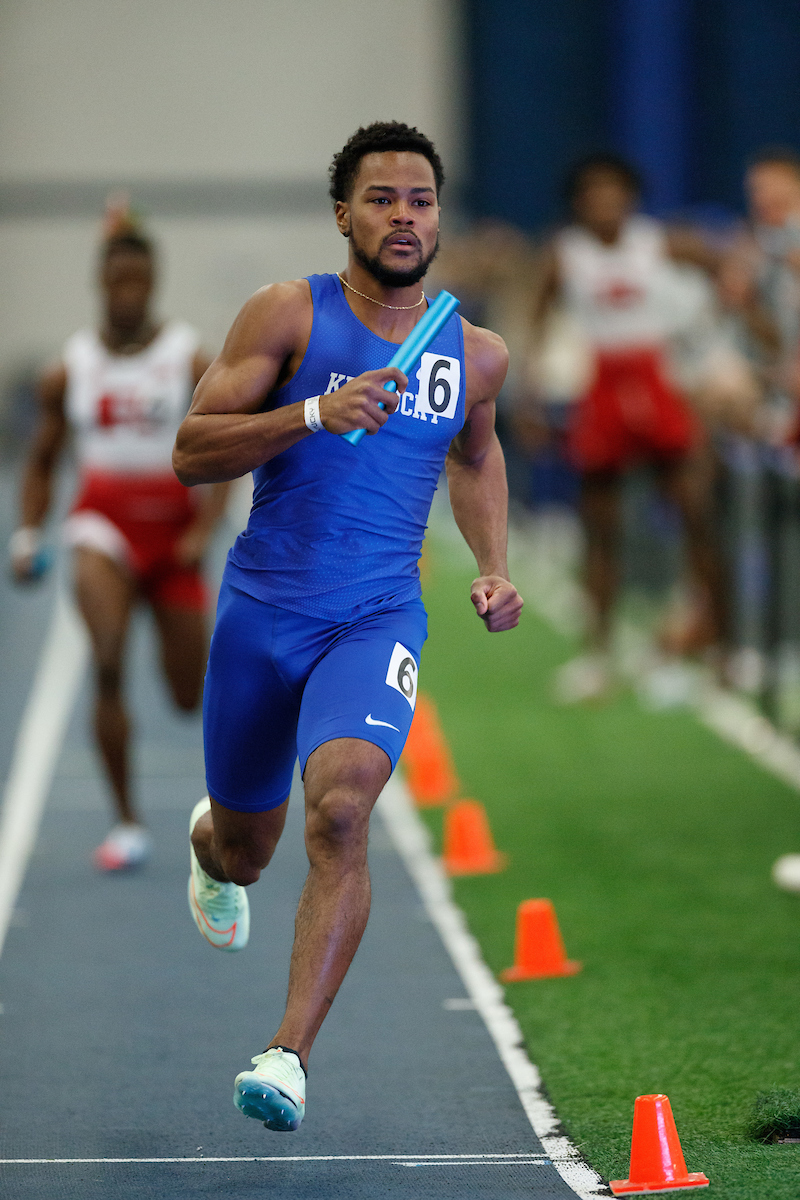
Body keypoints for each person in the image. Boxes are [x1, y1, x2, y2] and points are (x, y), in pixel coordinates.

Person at [173, 121, 523, 1132]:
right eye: (381, 198)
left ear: (437, 216)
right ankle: (210, 845)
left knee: (341, 811)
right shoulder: (288, 314)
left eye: (419, 198)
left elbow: (473, 457)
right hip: (262, 615)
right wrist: (314, 415)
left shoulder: (474, 351)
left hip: (374, 619)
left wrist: (493, 566)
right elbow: (193, 452)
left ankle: (286, 1056)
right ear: (343, 215)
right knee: (249, 850)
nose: (403, 215)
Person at [10, 205, 228, 870]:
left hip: (174, 533)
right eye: (117, 280)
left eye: (139, 279)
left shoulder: (187, 358)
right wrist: (27, 532)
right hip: (101, 525)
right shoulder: (68, 369)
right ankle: (127, 821)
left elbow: (222, 453)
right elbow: (44, 461)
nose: (128, 292)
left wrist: (204, 529)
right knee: (106, 660)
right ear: (101, 284)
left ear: (154, 281)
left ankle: (222, 806)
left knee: (191, 696)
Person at [531, 154, 726, 701]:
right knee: (601, 528)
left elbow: (725, 280)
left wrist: (710, 356)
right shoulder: (564, 253)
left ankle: (720, 651)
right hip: (603, 387)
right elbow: (539, 320)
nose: (604, 203)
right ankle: (596, 657)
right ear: (577, 202)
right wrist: (530, 393)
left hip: (657, 380)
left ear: (633, 197)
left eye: (614, 191)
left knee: (695, 515)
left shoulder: (661, 242)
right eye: (592, 193)